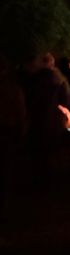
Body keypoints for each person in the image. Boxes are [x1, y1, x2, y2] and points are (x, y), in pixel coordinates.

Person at [20, 52, 70, 180]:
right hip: (55, 120)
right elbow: (66, 101)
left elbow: (28, 99)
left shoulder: (34, 79)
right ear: (52, 63)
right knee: (53, 149)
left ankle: (38, 176)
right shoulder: (60, 80)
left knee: (39, 151)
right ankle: (53, 176)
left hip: (37, 119)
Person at [0, 54, 27, 217]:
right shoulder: (12, 88)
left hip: (7, 129)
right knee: (6, 167)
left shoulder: (12, 88)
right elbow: (20, 110)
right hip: (8, 129)